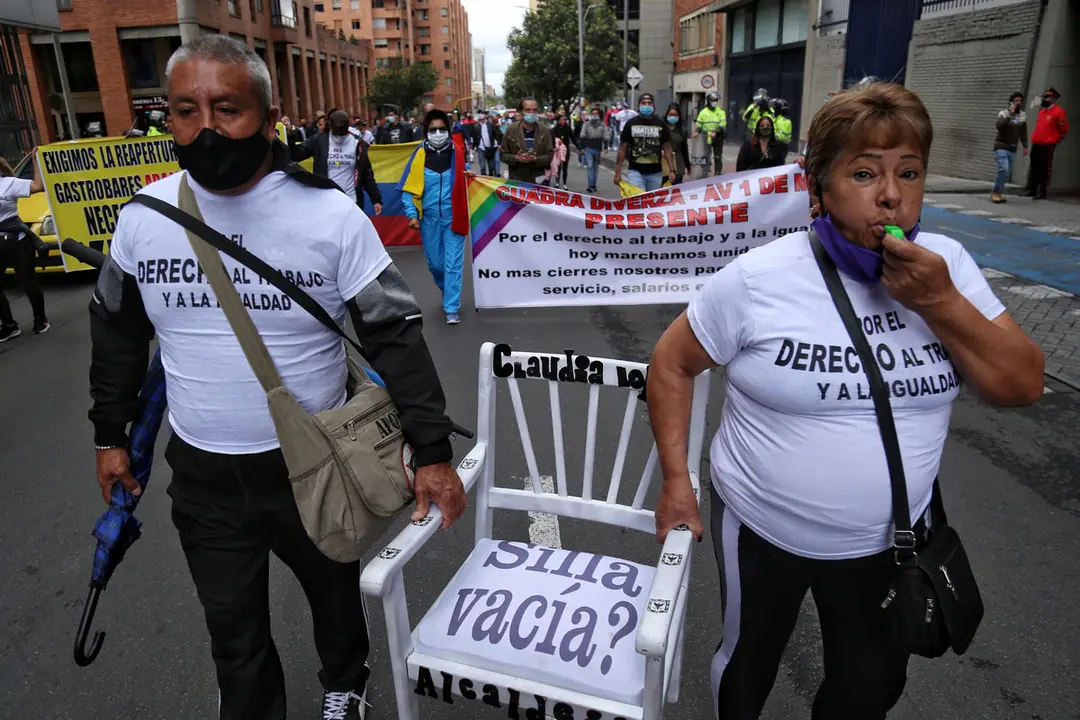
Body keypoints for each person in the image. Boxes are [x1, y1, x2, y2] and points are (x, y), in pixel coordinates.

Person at [88, 36, 467, 720]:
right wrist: (109, 436)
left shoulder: (329, 215)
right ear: (166, 120)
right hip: (204, 475)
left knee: (332, 593)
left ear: (269, 116)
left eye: (226, 108)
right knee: (232, 633)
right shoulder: (142, 220)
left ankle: (344, 684)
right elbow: (116, 330)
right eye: (185, 110)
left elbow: (395, 335)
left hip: (315, 467)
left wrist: (433, 452)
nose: (206, 128)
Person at [646, 81, 1044, 720]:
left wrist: (940, 302)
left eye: (908, 173)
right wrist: (676, 481)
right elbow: (671, 363)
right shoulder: (758, 279)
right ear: (817, 187)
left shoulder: (948, 267)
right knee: (749, 664)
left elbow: (1021, 385)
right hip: (760, 527)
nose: (891, 194)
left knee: (868, 686)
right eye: (864, 173)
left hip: (890, 542)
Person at [399, 109, 470, 325]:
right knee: (435, 265)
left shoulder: (457, 154)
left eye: (441, 129)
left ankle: (451, 307)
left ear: (448, 130)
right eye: (433, 130)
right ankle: (447, 289)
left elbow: (466, 181)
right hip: (428, 220)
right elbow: (408, 189)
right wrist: (412, 214)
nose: (437, 133)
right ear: (426, 132)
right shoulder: (419, 156)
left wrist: (470, 178)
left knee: (453, 265)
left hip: (454, 218)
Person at [291, 110, 382, 215]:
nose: (339, 134)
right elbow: (296, 154)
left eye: (342, 130)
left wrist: (376, 199)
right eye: (337, 130)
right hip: (325, 201)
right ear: (330, 126)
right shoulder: (319, 141)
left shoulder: (358, 144)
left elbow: (367, 174)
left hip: (351, 202)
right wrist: (290, 135)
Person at [0, 153, 48, 340]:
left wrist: (36, 161)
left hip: (18, 241)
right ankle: (9, 325)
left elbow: (38, 186)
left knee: (28, 282)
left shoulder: (10, 183)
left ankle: (40, 319)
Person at [613, 93, 677, 192]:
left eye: (649, 103)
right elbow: (622, 149)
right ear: (639, 106)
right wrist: (618, 172)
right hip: (635, 172)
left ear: (653, 106)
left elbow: (667, 147)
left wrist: (672, 170)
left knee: (652, 203)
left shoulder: (661, 124)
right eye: (643, 103)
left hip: (656, 173)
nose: (646, 105)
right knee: (639, 199)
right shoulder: (631, 124)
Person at [1022, 87, 1069, 200]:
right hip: (1037, 143)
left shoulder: (1059, 112)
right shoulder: (1042, 112)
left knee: (1044, 169)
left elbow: (1064, 129)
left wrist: (1055, 139)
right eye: (1044, 96)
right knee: (1034, 167)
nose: (1044, 99)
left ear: (1053, 99)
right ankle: (1031, 189)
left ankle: (1042, 192)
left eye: (1047, 97)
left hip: (1047, 145)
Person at [500, 97, 554, 184]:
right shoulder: (511, 130)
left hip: (538, 182)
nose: (531, 113)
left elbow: (549, 156)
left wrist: (535, 159)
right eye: (528, 110)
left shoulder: (544, 131)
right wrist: (516, 158)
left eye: (534, 110)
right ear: (521, 111)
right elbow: (502, 155)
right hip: (517, 180)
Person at [992, 91, 1028, 203]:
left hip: (1012, 148)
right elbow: (999, 126)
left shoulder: (1022, 115)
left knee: (1007, 172)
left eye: (1020, 101)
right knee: (1003, 169)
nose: (1018, 103)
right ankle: (996, 192)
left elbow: (1023, 132)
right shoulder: (1003, 113)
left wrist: (1025, 146)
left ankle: (999, 192)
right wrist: (1010, 114)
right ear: (1011, 102)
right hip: (1001, 145)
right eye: (1016, 101)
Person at [696, 91, 728, 176]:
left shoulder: (721, 112)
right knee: (705, 154)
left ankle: (718, 172)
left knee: (718, 156)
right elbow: (699, 123)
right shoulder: (703, 112)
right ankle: (705, 170)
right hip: (706, 136)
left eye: (717, 100)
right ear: (709, 101)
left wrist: (716, 131)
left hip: (718, 137)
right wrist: (696, 132)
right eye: (714, 100)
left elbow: (723, 124)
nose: (716, 102)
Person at [578, 106, 607, 193]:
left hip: (598, 149)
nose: (594, 115)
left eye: (596, 114)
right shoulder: (586, 125)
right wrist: (582, 148)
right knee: (590, 167)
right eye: (593, 114)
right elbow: (582, 137)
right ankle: (590, 185)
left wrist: (605, 147)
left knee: (595, 168)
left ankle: (594, 184)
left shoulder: (602, 125)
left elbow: (605, 137)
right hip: (588, 148)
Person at [665, 103, 691, 185]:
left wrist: (688, 165)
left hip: (678, 162)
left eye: (675, 115)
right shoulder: (662, 127)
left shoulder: (682, 130)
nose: (672, 117)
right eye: (670, 114)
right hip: (664, 162)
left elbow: (684, 149)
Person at [551, 114, 579, 189]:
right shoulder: (554, 130)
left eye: (564, 120)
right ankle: (557, 182)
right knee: (558, 167)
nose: (563, 121)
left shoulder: (568, 129)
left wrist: (579, 147)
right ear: (558, 121)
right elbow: (551, 140)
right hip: (557, 151)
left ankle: (564, 183)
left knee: (565, 167)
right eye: (561, 120)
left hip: (566, 150)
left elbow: (573, 138)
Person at [475, 110, 503, 177]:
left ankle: (491, 175)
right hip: (481, 147)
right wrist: (474, 146)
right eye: (479, 114)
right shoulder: (476, 126)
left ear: (485, 115)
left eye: (482, 113)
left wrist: (499, 144)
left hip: (490, 147)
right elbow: (475, 137)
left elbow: (496, 135)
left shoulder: (491, 125)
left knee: (491, 166)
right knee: (482, 166)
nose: (480, 115)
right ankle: (483, 177)